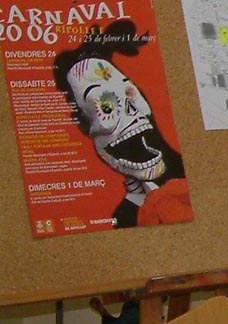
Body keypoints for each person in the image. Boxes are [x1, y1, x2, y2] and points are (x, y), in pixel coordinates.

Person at [53, 19, 192, 228]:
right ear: (82, 123)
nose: (133, 111)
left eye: (130, 93)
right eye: (106, 105)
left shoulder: (188, 179)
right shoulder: (125, 217)